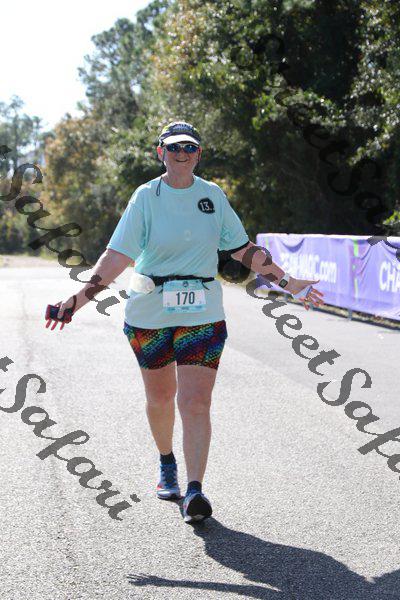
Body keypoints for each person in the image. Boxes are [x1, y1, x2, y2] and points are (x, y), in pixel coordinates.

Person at [45, 121, 324, 524]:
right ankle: (166, 462)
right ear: (161, 152)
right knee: (161, 399)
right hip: (150, 313)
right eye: (174, 147)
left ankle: (195, 490)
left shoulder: (212, 196)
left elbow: (243, 249)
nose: (181, 154)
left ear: (198, 154)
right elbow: (117, 256)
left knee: (195, 402)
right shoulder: (146, 197)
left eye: (189, 147)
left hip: (202, 312)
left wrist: (288, 282)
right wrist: (77, 301)